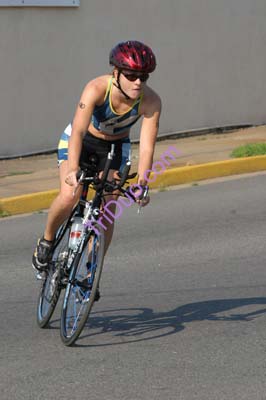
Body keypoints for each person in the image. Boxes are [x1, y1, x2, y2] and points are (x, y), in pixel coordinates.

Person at [32, 40, 162, 288]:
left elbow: (146, 147)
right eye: (132, 75)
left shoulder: (151, 102)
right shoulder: (96, 88)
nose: (138, 82)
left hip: (115, 148)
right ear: (116, 73)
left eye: (143, 76)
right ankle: (47, 241)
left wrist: (143, 183)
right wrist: (72, 170)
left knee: (108, 208)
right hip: (82, 141)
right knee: (70, 195)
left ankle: (91, 270)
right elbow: (78, 131)